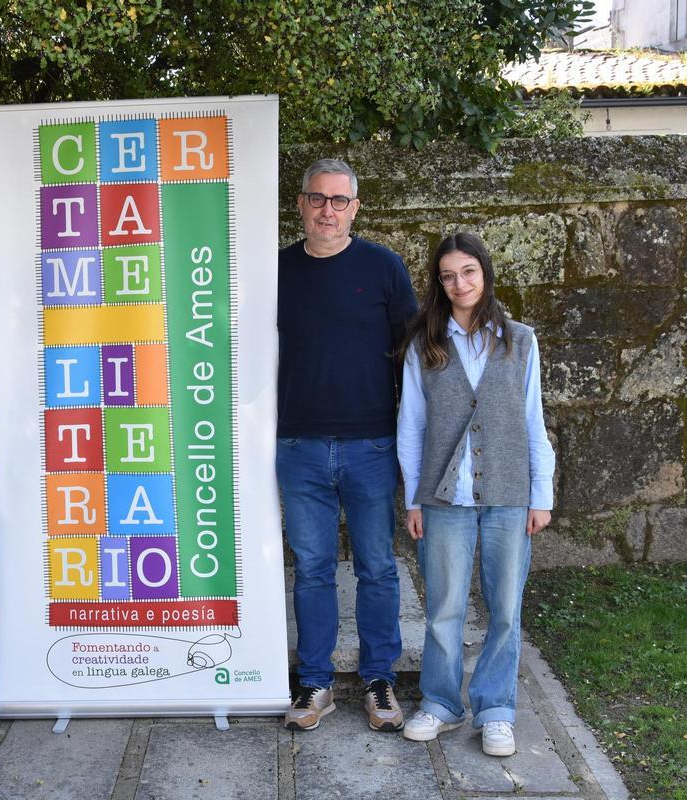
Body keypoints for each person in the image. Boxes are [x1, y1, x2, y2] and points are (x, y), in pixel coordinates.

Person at [396, 232, 555, 757]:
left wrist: (541, 494)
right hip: (444, 498)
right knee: (443, 606)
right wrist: (415, 499)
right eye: (448, 275)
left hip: (509, 493)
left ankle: (496, 709)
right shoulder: (426, 344)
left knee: (505, 606)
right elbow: (411, 425)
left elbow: (534, 422)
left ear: (484, 273)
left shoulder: (520, 340)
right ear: (438, 283)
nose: (459, 283)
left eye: (467, 271)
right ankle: (441, 703)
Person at [278, 158, 418, 732]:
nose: (328, 210)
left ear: (355, 208)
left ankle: (379, 679)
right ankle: (315, 683)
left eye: (339, 200)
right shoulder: (275, 270)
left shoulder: (384, 268)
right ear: (301, 205)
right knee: (310, 568)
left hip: (371, 445)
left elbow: (413, 357)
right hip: (299, 445)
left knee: (377, 567)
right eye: (318, 199)